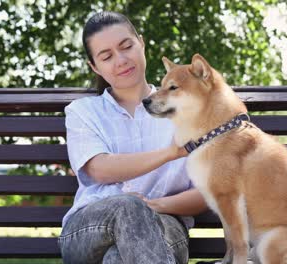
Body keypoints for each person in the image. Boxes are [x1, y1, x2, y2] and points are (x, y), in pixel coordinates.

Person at [58, 11, 208, 264]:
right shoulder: (82, 112)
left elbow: (206, 193)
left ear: (141, 43)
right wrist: (170, 153)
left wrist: (154, 205)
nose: (121, 60)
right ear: (95, 66)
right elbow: (100, 169)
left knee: (118, 258)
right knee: (128, 206)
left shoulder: (190, 111)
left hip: (166, 224)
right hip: (88, 227)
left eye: (126, 46)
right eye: (106, 56)